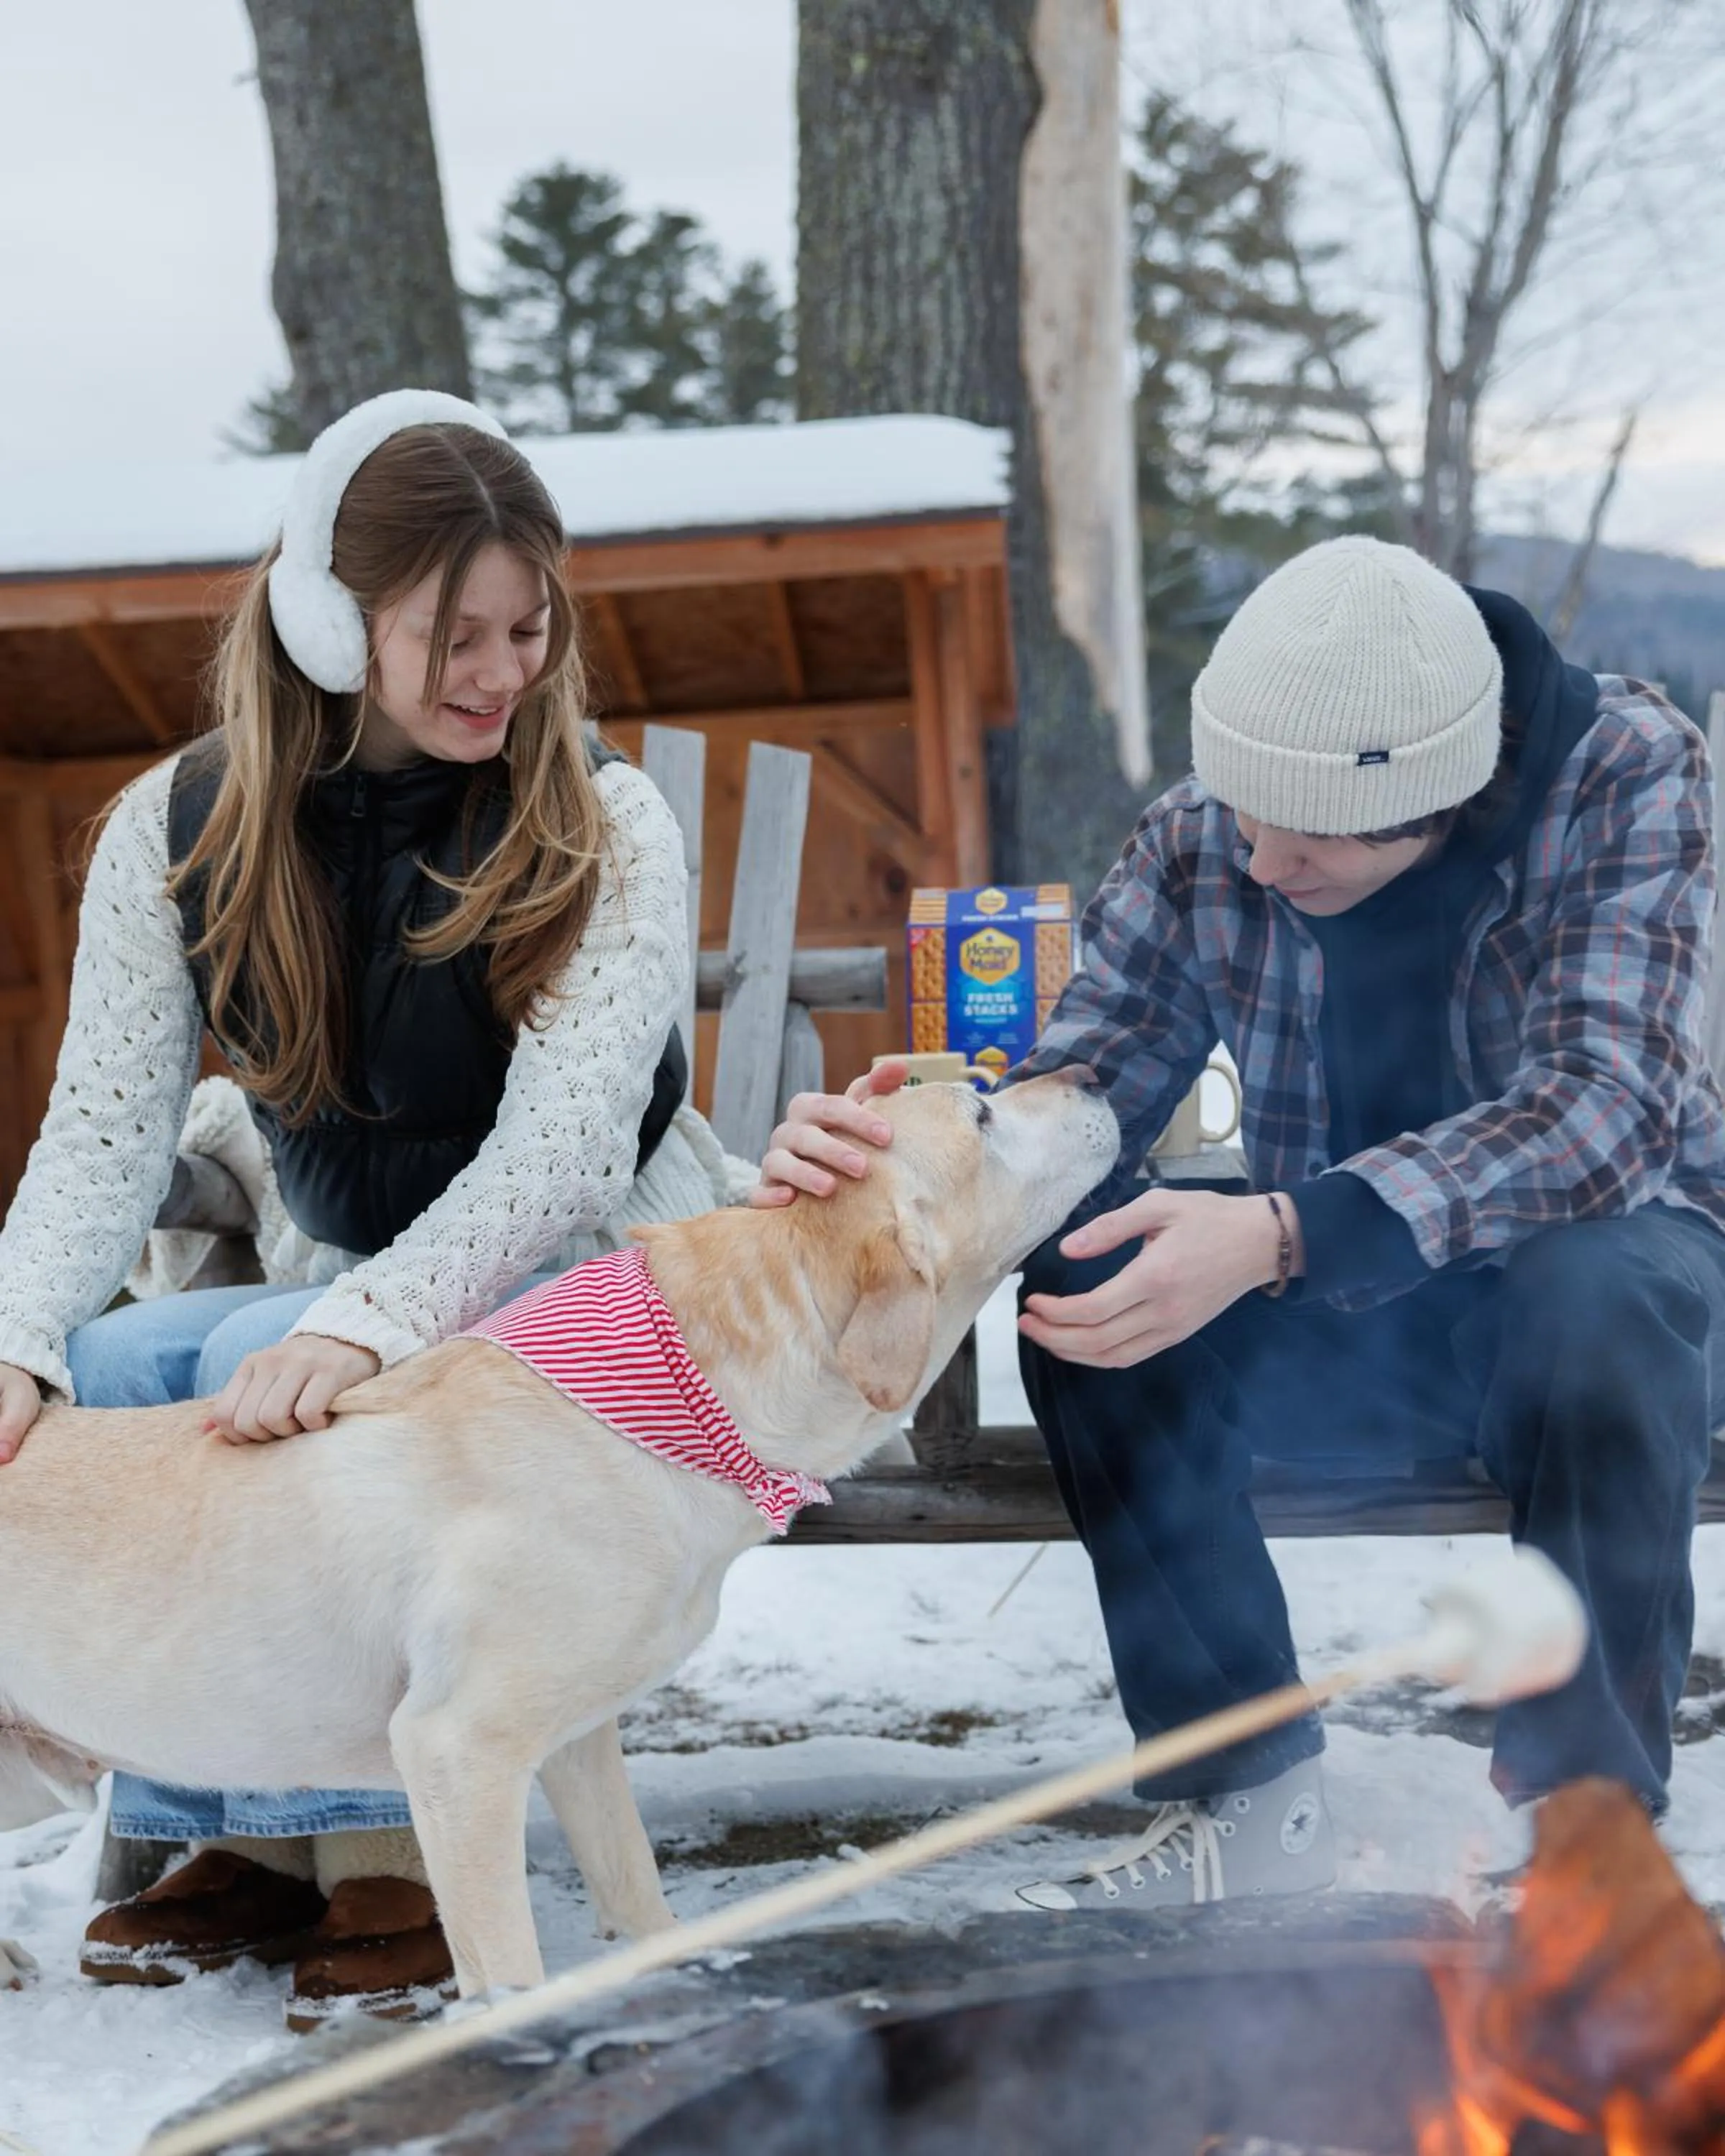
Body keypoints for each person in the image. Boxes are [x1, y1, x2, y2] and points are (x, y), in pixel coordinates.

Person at [758, 535, 1725, 1909]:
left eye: (1302, 831)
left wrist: (1280, 1233)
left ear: (1434, 797)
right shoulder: (1211, 829)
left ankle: (1587, 1821)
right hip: (1346, 1321)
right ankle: (1245, 1798)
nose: (1256, 858)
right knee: (1092, 1279)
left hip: (1609, 1304)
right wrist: (911, 1155)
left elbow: (1605, 1111)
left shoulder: (1626, 771)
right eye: (1239, 810)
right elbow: (1085, 1090)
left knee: (1599, 1298)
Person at [0, 390, 743, 2024]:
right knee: (125, 1376)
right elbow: (104, 1134)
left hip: (583, 1268)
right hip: (345, 1250)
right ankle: (247, 1826)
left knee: (274, 1373)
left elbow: (558, 1155)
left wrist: (359, 1323)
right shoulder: (176, 831)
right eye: (453, 635)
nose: (502, 674)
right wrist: (20, 1339)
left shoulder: (595, 819)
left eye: (527, 629)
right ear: (334, 624)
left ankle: (382, 1853)